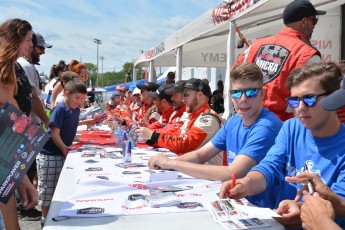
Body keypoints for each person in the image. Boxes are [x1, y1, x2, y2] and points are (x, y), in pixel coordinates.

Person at [219, 62, 345, 228]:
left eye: (309, 99)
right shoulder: (291, 127)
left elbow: (338, 204)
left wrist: (300, 208)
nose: (300, 108)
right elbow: (270, 166)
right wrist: (247, 183)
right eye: (294, 101)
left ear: (333, 98)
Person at [148, 63, 282, 208]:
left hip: (265, 209)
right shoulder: (234, 121)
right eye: (237, 93)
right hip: (238, 201)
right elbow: (200, 155)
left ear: (262, 94)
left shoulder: (267, 126)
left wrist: (172, 163)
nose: (243, 98)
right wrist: (168, 164)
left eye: (251, 92)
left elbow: (232, 173)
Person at [233, 0, 326, 121]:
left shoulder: (255, 45)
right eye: (314, 21)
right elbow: (313, 100)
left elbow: (234, 76)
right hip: (282, 127)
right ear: (304, 22)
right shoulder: (307, 54)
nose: (314, 26)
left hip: (248, 120)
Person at [0, 18, 39, 230]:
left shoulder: (11, 69)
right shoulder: (5, 72)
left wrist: (21, 177)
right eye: (28, 40)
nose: (31, 46)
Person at [37, 78, 87, 227]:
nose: (79, 101)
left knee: (60, 187)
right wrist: (64, 148)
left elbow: (71, 127)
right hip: (50, 154)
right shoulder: (60, 109)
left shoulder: (76, 110)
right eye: (77, 97)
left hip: (63, 152)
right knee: (48, 189)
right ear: (66, 94)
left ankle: (57, 216)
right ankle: (45, 219)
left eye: (83, 98)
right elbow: (54, 133)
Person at [137, 78, 223, 161]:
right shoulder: (194, 116)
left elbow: (184, 144)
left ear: (200, 95)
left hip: (209, 173)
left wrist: (153, 136)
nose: (183, 99)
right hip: (196, 170)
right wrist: (151, 140)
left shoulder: (208, 118)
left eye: (186, 95)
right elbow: (175, 137)